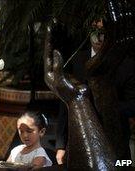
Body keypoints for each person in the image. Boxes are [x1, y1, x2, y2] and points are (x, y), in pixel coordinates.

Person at [55, 19, 135, 164]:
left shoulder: (127, 65)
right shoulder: (77, 60)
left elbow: (132, 105)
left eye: (103, 32)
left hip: (115, 145)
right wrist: (61, 144)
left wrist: (105, 104)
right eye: (95, 30)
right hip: (80, 142)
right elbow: (64, 104)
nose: (99, 37)